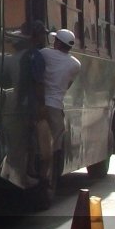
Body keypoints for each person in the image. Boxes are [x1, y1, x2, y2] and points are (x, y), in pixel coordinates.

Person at [35, 28, 81, 180]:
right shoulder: (75, 64)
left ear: (57, 43)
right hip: (55, 106)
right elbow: (67, 85)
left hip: (39, 103)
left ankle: (37, 165)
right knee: (55, 142)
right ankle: (48, 173)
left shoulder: (44, 53)